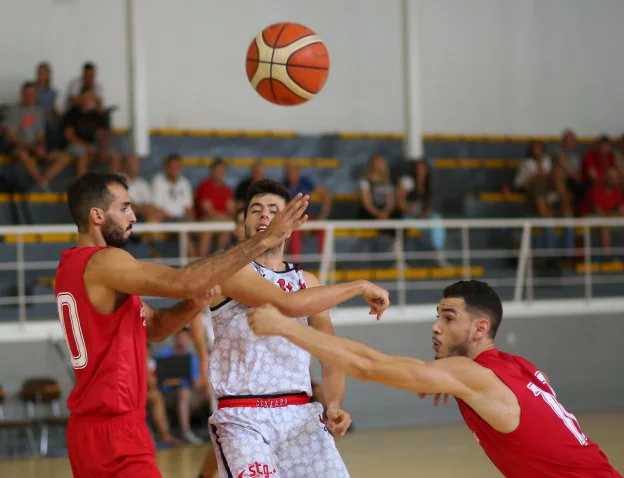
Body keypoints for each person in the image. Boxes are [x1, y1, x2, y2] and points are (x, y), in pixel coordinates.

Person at [54, 172, 309, 478]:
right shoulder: (105, 262)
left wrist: (194, 303)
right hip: (114, 429)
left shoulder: (73, 265)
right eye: (124, 208)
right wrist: (264, 239)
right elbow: (183, 280)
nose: (133, 216)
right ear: (97, 215)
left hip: (90, 429)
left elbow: (157, 327)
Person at [247, 280, 623, 478]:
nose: (435, 327)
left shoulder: (474, 376)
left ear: (480, 328)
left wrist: (285, 327)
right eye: (437, 316)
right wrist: (449, 382)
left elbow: (367, 367)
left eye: (447, 318)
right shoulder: (516, 365)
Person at [201, 179, 390, 478]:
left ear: (290, 223)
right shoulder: (229, 269)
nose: (264, 215)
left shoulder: (309, 283)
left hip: (300, 414)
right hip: (243, 418)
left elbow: (331, 352)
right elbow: (287, 304)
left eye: (273, 210)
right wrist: (359, 285)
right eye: (255, 210)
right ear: (245, 221)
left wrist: (335, 404)